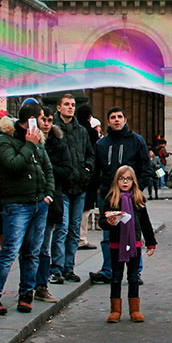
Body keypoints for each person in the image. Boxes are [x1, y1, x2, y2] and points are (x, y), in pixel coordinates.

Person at [0, 102, 54, 316]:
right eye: (41, 118)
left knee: (32, 252)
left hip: (38, 203)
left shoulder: (38, 140)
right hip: (16, 204)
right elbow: (14, 166)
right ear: (31, 120)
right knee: (10, 251)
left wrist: (48, 196)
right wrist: (30, 145)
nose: (44, 123)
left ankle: (26, 295)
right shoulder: (4, 141)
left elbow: (47, 168)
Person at [89, 107, 154, 284]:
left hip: (131, 197)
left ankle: (135, 271)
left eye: (119, 117)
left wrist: (137, 190)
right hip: (108, 196)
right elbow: (96, 171)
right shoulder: (101, 144)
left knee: (133, 231)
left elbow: (147, 169)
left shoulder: (136, 141)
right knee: (108, 234)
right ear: (108, 121)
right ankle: (109, 270)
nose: (116, 120)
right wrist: (96, 193)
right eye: (113, 117)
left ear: (125, 120)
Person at [102, 165, 157, 323]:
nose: (125, 182)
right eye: (121, 178)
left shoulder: (138, 199)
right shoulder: (111, 199)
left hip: (135, 243)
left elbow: (145, 223)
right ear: (116, 181)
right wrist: (109, 222)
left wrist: (151, 243)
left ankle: (135, 310)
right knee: (116, 276)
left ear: (134, 181)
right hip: (116, 244)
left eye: (128, 179)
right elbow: (102, 222)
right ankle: (115, 310)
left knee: (133, 277)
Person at [52, 94, 95, 282]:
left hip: (80, 186)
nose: (70, 107)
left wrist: (87, 170)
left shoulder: (82, 131)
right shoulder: (53, 129)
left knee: (74, 229)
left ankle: (69, 267)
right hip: (62, 187)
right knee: (62, 228)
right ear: (59, 107)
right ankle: (57, 268)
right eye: (67, 105)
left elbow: (90, 154)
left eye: (73, 105)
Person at [34, 107, 73, 303]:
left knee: (43, 245)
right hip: (31, 198)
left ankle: (41, 285)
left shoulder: (59, 143)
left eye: (49, 120)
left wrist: (47, 170)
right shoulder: (30, 141)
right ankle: (29, 285)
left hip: (50, 198)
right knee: (30, 246)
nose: (46, 123)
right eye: (43, 119)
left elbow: (67, 169)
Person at [75, 103, 99, 250]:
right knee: (85, 209)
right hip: (89, 175)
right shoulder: (91, 132)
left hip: (75, 174)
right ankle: (81, 238)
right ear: (90, 117)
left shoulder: (75, 130)